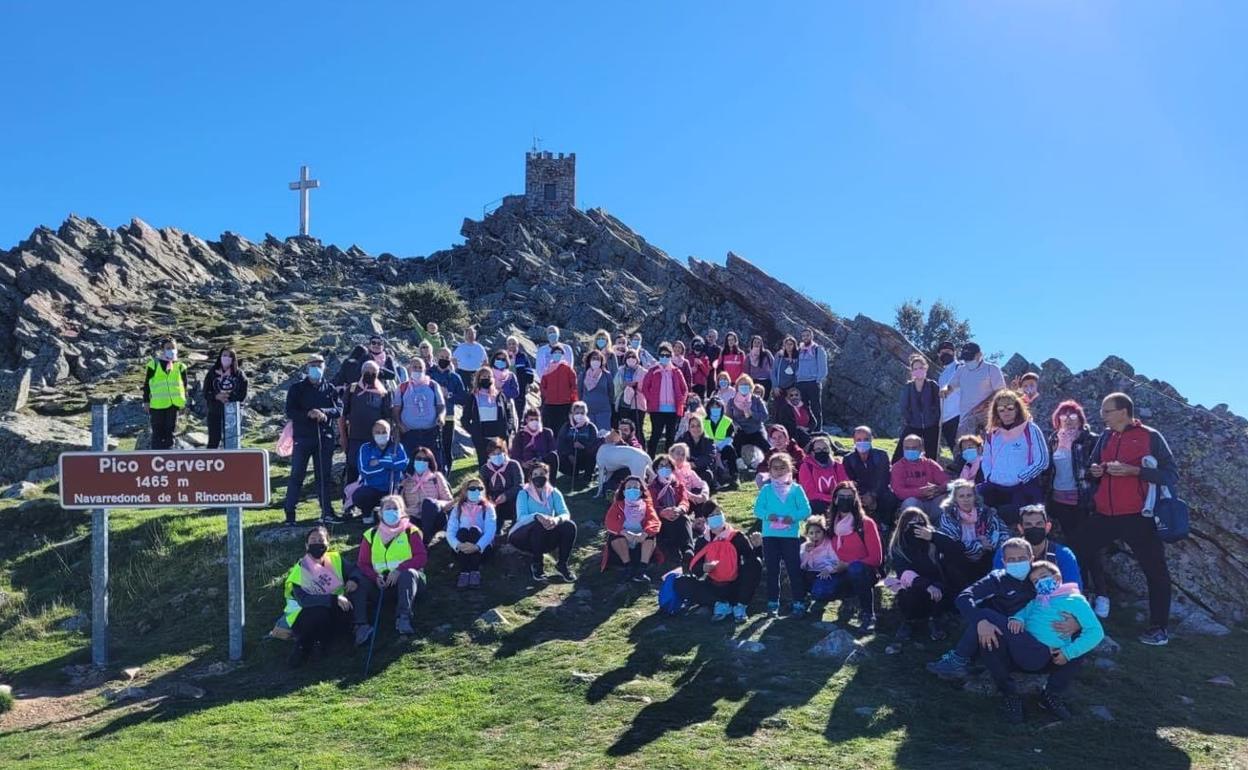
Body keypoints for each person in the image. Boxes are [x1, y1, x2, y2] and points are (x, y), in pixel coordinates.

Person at [1073, 392, 1177, 644]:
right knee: (1075, 551)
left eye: (1106, 411)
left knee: (1156, 571)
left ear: (1123, 412)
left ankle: (1159, 628)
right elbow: (1092, 467)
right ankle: (1075, 610)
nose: (1102, 415)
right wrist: (1096, 471)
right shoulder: (1107, 436)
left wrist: (1135, 471)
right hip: (1105, 514)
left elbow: (1170, 475)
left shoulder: (1150, 437)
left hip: (1138, 516)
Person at [926, 538, 1084, 686]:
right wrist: (980, 622)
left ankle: (1053, 692)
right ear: (1004, 562)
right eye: (1011, 560)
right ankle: (961, 661)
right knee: (985, 616)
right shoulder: (998, 579)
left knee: (1083, 630)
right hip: (1005, 638)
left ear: (1031, 559)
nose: (1017, 563)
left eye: (1022, 558)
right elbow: (964, 597)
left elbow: (1069, 601)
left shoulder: (1040, 579)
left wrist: (1075, 623)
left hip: (1038, 640)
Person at [988, 560, 1104, 723]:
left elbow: (1095, 631)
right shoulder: (1036, 601)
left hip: (1053, 657)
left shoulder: (1075, 600)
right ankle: (1010, 695)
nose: (1039, 583)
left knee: (1079, 646)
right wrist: (1017, 619)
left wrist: (1068, 653)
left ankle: (1051, 695)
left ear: (1057, 578)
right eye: (1035, 581)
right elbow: (1023, 613)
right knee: (989, 639)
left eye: (1043, 577)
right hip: (1022, 651)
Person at [803, 482, 883, 630]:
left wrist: (848, 564)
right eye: (842, 496)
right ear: (835, 499)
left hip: (863, 571)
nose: (845, 500)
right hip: (838, 570)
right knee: (819, 591)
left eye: (849, 497)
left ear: (855, 500)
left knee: (855, 569)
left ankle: (868, 614)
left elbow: (876, 558)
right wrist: (810, 547)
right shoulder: (831, 524)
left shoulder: (866, 524)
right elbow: (822, 544)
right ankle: (848, 597)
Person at [281, 525, 356, 667]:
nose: (317, 543)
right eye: (313, 540)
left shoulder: (335, 559)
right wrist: (334, 599)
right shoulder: (301, 569)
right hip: (303, 617)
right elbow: (305, 600)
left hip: (334, 608)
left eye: (321, 540)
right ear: (306, 545)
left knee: (346, 608)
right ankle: (303, 648)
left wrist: (354, 579)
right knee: (319, 613)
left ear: (328, 543)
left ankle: (337, 645)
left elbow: (354, 570)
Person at [353, 495, 427, 639]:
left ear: (402, 511)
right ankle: (361, 625)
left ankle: (403, 617)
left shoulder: (410, 531)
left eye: (395, 508)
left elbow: (421, 557)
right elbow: (362, 563)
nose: (392, 511)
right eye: (388, 508)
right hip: (382, 584)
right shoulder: (371, 535)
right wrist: (375, 577)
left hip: (409, 583)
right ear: (380, 512)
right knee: (359, 581)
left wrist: (399, 570)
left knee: (409, 574)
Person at [887, 507, 961, 642]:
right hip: (914, 586)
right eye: (913, 524)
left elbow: (956, 549)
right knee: (910, 594)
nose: (918, 527)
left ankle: (935, 620)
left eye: (921, 523)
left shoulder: (933, 543)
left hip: (938, 585)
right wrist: (927, 586)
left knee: (942, 587)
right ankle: (909, 622)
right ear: (904, 527)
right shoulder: (899, 547)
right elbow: (904, 572)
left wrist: (933, 537)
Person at [283, 354, 341, 526]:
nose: (316, 367)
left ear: (324, 367)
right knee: (296, 475)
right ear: (307, 367)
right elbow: (290, 411)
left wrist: (324, 412)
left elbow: (339, 409)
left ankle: (327, 512)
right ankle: (290, 514)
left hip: (324, 438)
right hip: (302, 438)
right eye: (313, 364)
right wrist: (307, 414)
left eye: (319, 364)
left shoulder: (330, 388)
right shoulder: (296, 388)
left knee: (323, 476)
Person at [678, 508, 763, 622]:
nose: (716, 517)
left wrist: (758, 547)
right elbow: (695, 570)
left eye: (718, 513)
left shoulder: (737, 537)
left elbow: (751, 561)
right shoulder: (702, 541)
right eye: (712, 515)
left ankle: (741, 606)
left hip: (735, 584)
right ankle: (720, 604)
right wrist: (703, 568)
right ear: (706, 520)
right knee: (681, 582)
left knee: (756, 563)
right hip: (713, 585)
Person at [979, 389, 1050, 525]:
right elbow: (986, 459)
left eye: (1010, 408)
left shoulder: (1030, 429)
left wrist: (1021, 477)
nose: (1006, 412)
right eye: (1001, 409)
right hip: (995, 485)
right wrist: (990, 476)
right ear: (996, 412)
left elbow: (1042, 460)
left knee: (1016, 518)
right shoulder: (992, 433)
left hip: (1023, 488)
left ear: (1017, 408)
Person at [754, 452, 811, 616]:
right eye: (775, 468)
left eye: (782, 467)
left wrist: (792, 518)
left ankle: (798, 602)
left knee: (794, 569)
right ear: (770, 470)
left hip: (790, 537)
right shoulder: (766, 489)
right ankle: (773, 603)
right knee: (772, 570)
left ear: (789, 468)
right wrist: (767, 516)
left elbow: (806, 510)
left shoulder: (796, 489)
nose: (779, 471)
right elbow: (758, 510)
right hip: (770, 536)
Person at [509, 462, 577, 582]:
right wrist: (537, 516)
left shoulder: (554, 493)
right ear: (530, 477)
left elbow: (565, 513)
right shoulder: (523, 493)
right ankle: (537, 565)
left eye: (542, 473)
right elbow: (521, 517)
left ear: (547, 475)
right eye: (535, 474)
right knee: (538, 526)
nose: (538, 476)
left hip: (546, 534)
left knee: (569, 526)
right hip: (522, 535)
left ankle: (562, 564)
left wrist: (556, 520)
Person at [993, 504, 1083, 592]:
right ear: (1020, 528)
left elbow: (1074, 589)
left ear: (1047, 527)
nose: (1034, 528)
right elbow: (996, 586)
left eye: (1039, 524)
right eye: (1028, 525)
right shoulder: (1004, 552)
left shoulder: (1063, 554)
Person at [936, 479, 1009, 585]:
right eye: (961, 496)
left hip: (985, 556)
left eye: (969, 495)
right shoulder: (948, 516)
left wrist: (991, 543)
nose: (966, 499)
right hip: (960, 559)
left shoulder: (985, 512)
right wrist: (979, 545)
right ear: (955, 499)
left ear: (975, 497)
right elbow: (952, 543)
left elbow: (1003, 532)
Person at [1044, 400, 1099, 540]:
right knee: (1069, 538)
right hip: (1058, 499)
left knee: (1085, 540)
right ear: (1058, 420)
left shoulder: (1090, 439)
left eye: (1073, 417)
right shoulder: (1053, 439)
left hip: (1083, 500)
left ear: (1080, 419)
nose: (1068, 420)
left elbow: (1100, 468)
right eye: (1063, 417)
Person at [340, 360, 393, 487]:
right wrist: (343, 437)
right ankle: (349, 503)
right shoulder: (352, 389)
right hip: (355, 438)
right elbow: (342, 414)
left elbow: (387, 417)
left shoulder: (383, 392)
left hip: (375, 440)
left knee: (375, 469)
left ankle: (371, 502)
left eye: (373, 372)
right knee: (352, 469)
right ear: (362, 372)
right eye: (367, 372)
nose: (370, 374)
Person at [940, 342, 1006, 439]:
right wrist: (945, 390)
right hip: (965, 421)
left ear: (979, 355)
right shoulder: (961, 370)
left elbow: (1001, 392)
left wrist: (982, 405)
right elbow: (951, 386)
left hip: (987, 419)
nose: (968, 361)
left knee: (987, 450)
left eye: (970, 358)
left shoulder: (992, 369)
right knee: (964, 452)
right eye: (965, 358)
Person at [603, 475, 661, 583]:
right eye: (629, 487)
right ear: (624, 492)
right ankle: (627, 567)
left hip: (640, 541)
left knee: (650, 538)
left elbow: (654, 521)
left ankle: (642, 570)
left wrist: (645, 533)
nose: (632, 490)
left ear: (640, 492)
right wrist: (623, 532)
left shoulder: (646, 505)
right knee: (615, 537)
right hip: (624, 539)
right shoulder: (617, 505)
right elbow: (609, 522)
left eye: (635, 487)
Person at [445, 477, 498, 589]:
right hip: (461, 547)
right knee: (463, 531)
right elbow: (451, 530)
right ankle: (464, 572)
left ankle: (474, 570)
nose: (476, 491)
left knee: (474, 530)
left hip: (482, 547)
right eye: (472, 488)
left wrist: (478, 546)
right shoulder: (458, 508)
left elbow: (490, 530)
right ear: (465, 490)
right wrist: (457, 545)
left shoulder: (488, 508)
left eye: (480, 488)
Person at [351, 419, 408, 522]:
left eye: (384, 432)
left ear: (389, 432)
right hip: (374, 489)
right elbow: (365, 471)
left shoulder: (397, 446)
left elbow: (403, 464)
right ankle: (368, 514)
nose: (381, 435)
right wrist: (390, 464)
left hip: (393, 488)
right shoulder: (365, 448)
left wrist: (380, 462)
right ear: (373, 433)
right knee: (361, 495)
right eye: (378, 432)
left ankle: (396, 515)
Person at [640, 343, 689, 456]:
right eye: (662, 355)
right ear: (658, 356)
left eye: (667, 355)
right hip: (657, 410)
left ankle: (669, 462)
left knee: (670, 437)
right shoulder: (653, 371)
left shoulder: (676, 371)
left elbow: (684, 389)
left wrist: (681, 401)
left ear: (671, 356)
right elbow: (644, 387)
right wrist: (650, 400)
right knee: (655, 435)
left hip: (673, 411)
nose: (664, 357)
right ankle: (650, 461)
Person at [463, 366, 515, 469]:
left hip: (499, 436)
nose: (486, 378)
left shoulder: (500, 395)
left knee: (503, 464)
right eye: (483, 376)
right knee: (485, 466)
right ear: (478, 379)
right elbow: (465, 419)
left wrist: (508, 429)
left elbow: (509, 414)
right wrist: (474, 431)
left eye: (488, 376)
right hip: (482, 438)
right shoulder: (473, 397)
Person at [889, 433, 949, 523]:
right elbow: (899, 491)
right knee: (910, 502)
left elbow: (947, 481)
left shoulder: (930, 464)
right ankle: (913, 530)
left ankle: (943, 528)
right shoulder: (897, 467)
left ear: (921, 449)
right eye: (907, 448)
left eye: (914, 448)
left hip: (932, 502)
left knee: (947, 499)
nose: (910, 450)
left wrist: (938, 489)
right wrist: (921, 492)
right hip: (913, 504)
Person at [394, 356, 445, 460]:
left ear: (424, 369)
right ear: (409, 369)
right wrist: (400, 425)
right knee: (409, 465)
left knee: (433, 464)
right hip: (409, 434)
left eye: (420, 367)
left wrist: (441, 416)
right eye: (415, 367)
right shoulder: (402, 387)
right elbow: (396, 409)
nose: (417, 370)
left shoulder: (433, 385)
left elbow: (441, 405)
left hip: (430, 433)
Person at [399, 447, 453, 546]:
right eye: (418, 459)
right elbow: (399, 505)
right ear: (413, 460)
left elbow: (449, 502)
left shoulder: (436, 477)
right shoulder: (406, 480)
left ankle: (425, 540)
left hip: (435, 518)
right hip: (414, 517)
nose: (421, 462)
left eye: (425, 459)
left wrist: (435, 503)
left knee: (428, 503)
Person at [143, 337, 190, 450]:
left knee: (170, 432)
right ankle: (156, 457)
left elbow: (184, 386)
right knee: (157, 432)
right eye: (168, 348)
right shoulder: (153, 364)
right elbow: (146, 385)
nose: (171, 350)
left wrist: (185, 402)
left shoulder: (180, 366)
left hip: (174, 404)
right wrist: (146, 401)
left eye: (173, 347)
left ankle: (169, 456)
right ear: (162, 350)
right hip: (157, 404)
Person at [893, 354, 942, 462]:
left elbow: (939, 404)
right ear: (912, 371)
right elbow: (904, 406)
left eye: (920, 368)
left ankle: (931, 475)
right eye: (915, 369)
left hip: (931, 425)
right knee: (900, 450)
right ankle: (893, 470)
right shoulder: (908, 387)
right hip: (913, 425)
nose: (918, 371)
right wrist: (910, 420)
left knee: (931, 453)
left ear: (925, 368)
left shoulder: (932, 385)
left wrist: (935, 419)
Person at [843, 426, 896, 520]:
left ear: (871, 439)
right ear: (854, 441)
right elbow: (851, 480)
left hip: (879, 492)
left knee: (889, 497)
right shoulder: (848, 459)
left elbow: (884, 478)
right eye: (859, 439)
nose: (862, 442)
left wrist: (873, 494)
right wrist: (863, 495)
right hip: (860, 494)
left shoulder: (881, 455)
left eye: (866, 439)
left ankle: (886, 524)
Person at [648, 455, 693, 567]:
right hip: (661, 519)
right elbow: (651, 506)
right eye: (661, 466)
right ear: (656, 469)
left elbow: (685, 501)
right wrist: (662, 512)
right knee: (668, 522)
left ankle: (688, 550)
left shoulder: (679, 484)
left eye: (667, 466)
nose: (664, 468)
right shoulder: (651, 487)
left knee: (684, 519)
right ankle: (673, 552)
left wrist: (679, 509)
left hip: (677, 514)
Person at [201, 347, 248, 449]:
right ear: (220, 357)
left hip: (233, 412)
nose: (226, 358)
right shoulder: (212, 372)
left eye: (229, 356)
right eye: (224, 355)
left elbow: (243, 394)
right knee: (214, 439)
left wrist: (229, 397)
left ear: (233, 359)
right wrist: (216, 396)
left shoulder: (239, 374)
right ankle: (211, 461)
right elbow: (205, 392)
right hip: (215, 410)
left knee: (232, 440)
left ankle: (232, 462)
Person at [429, 348, 467, 472]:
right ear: (436, 357)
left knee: (446, 447)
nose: (444, 360)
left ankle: (446, 476)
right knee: (431, 448)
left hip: (448, 417)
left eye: (447, 358)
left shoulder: (455, 377)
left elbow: (463, 398)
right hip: (429, 417)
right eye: (442, 357)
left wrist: (449, 394)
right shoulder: (428, 374)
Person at [727, 375, 770, 471]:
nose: (744, 387)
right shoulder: (731, 402)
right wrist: (736, 425)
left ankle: (770, 463)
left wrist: (752, 413)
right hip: (741, 431)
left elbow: (765, 416)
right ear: (737, 387)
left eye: (746, 384)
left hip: (756, 429)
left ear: (751, 387)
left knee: (766, 446)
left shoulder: (756, 400)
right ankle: (739, 463)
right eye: (741, 384)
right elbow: (729, 418)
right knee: (734, 443)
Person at [797, 434, 849, 514]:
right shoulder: (806, 467)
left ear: (830, 450)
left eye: (825, 448)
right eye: (818, 449)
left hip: (838, 502)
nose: (822, 451)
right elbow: (810, 494)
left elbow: (844, 486)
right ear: (812, 452)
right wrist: (832, 498)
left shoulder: (837, 465)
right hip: (818, 504)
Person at [556, 401, 600, 490]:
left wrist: (583, 447)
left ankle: (587, 478)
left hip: (585, 457)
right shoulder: (566, 426)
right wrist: (569, 454)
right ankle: (572, 476)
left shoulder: (591, 427)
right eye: (577, 413)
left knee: (591, 456)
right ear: (572, 413)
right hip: (570, 458)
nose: (579, 415)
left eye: (582, 413)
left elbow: (595, 445)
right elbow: (560, 443)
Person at [482, 439, 523, 529]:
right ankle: (495, 529)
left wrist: (506, 495)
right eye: (493, 454)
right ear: (489, 455)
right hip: (494, 499)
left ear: (504, 453)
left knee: (520, 498)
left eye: (499, 453)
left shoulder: (513, 465)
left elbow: (519, 485)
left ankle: (515, 527)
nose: (497, 456)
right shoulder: (485, 469)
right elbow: (483, 488)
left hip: (512, 497)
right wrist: (489, 499)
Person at [538, 344, 578, 436]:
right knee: (551, 429)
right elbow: (543, 386)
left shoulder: (568, 369)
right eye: (555, 352)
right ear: (552, 354)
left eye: (559, 353)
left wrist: (571, 399)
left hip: (565, 404)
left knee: (563, 429)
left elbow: (574, 386)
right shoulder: (547, 370)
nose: (557, 354)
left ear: (563, 355)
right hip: (550, 404)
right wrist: (547, 396)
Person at [667, 442, 716, 518]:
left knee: (700, 493)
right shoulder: (668, 471)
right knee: (696, 497)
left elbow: (702, 484)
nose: (680, 456)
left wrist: (704, 495)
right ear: (671, 455)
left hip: (690, 500)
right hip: (676, 502)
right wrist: (692, 496)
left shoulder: (689, 470)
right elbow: (676, 489)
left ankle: (699, 521)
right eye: (678, 453)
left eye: (683, 455)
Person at [511, 408, 560, 481]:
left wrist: (540, 460)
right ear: (526, 420)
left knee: (554, 456)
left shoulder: (547, 432)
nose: (534, 422)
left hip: (543, 463)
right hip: (527, 466)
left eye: (536, 419)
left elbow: (553, 450)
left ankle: (551, 484)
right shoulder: (520, 435)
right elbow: (515, 455)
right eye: (531, 420)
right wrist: (523, 463)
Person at [675, 417, 722, 493]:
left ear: (702, 427)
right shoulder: (682, 439)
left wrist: (694, 464)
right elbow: (675, 455)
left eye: (698, 426)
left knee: (708, 474)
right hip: (685, 469)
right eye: (692, 426)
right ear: (689, 428)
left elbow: (709, 457)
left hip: (702, 469)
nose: (695, 429)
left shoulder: (709, 441)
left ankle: (699, 492)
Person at [794, 327, 828, 433]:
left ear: (811, 336)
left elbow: (823, 367)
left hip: (813, 382)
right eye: (803, 336)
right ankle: (806, 428)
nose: (805, 337)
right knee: (803, 407)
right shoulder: (799, 350)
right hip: (800, 382)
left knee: (815, 407)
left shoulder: (818, 349)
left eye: (807, 335)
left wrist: (818, 380)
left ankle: (817, 430)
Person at [701, 397, 739, 488]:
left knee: (730, 450)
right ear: (708, 408)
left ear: (722, 408)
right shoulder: (702, 421)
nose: (715, 410)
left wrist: (718, 448)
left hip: (722, 447)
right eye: (712, 407)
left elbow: (730, 437)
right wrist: (713, 449)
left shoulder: (727, 421)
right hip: (707, 448)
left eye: (717, 407)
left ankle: (734, 476)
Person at [613, 350, 648, 445]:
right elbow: (616, 385)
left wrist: (637, 384)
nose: (631, 359)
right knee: (623, 429)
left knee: (638, 428)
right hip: (623, 404)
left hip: (638, 404)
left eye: (633, 357)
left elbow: (647, 386)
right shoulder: (621, 370)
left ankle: (640, 449)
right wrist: (624, 384)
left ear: (637, 359)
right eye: (629, 357)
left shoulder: (643, 371)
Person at [935, 341, 962, 454]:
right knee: (955, 451)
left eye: (948, 351)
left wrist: (948, 388)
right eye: (942, 352)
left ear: (954, 352)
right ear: (939, 355)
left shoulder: (960, 367)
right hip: (946, 419)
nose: (945, 354)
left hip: (959, 415)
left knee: (964, 449)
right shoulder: (941, 375)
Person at [580, 348, 615, 430]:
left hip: (603, 411)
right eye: (593, 359)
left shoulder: (607, 375)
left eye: (598, 359)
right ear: (589, 360)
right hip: (588, 411)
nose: (596, 361)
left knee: (603, 435)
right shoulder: (583, 375)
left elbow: (611, 392)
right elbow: (580, 392)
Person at [488, 349, 523, 424]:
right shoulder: (488, 375)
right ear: (494, 359)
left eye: (503, 359)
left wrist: (503, 390)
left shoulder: (511, 376)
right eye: (498, 359)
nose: (500, 361)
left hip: (507, 406)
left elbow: (516, 392)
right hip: (491, 406)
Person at [506, 336, 535, 423]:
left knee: (520, 409)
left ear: (517, 345)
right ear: (507, 345)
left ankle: (519, 426)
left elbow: (529, 371)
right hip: (507, 387)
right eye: (510, 344)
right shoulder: (504, 356)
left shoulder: (522, 356)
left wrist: (527, 380)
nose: (512, 346)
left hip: (520, 387)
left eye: (514, 343)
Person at [743, 335, 775, 400]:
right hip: (754, 382)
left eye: (759, 342)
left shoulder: (767, 353)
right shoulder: (749, 356)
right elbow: (746, 372)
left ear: (761, 344)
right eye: (755, 342)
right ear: (752, 343)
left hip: (766, 382)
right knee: (753, 401)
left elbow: (774, 366)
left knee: (764, 401)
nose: (757, 344)